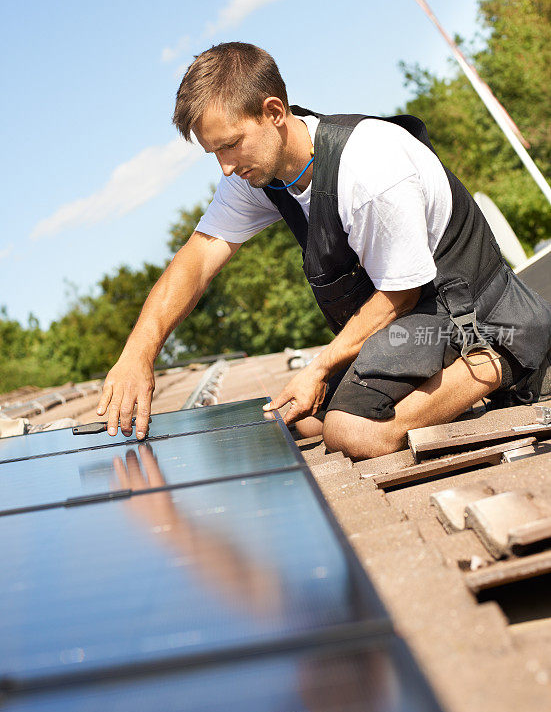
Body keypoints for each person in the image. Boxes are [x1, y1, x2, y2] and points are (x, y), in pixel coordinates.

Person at [97, 42, 551, 460]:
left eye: (231, 145)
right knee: (295, 415)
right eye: (214, 152)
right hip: (411, 318)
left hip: (465, 309)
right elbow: (197, 261)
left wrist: (320, 364)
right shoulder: (262, 174)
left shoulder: (368, 167)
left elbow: (402, 294)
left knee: (353, 432)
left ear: (273, 111)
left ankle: (506, 355)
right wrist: (138, 352)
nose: (227, 166)